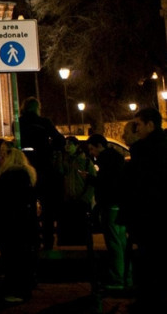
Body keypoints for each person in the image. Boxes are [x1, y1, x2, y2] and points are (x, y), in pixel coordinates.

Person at [121, 107, 167, 313]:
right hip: (154, 215)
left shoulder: (145, 151)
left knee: (149, 261)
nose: (136, 129)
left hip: (148, 216)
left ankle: (149, 300)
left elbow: (138, 186)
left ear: (150, 125)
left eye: (138, 124)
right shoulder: (156, 147)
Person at [0, 142, 39, 303]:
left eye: (3, 155)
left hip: (12, 226)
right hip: (22, 225)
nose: (0, 158)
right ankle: (22, 287)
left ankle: (18, 291)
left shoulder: (10, 176)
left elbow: (5, 203)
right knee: (21, 259)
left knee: (14, 260)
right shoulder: (25, 174)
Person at [18, 96, 65, 250]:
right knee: (47, 207)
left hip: (25, 167)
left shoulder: (18, 123)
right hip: (44, 167)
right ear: (37, 108)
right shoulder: (44, 122)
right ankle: (48, 239)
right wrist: (49, 147)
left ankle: (32, 239)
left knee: (27, 205)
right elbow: (60, 140)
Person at [86, 134, 128, 290]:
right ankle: (126, 276)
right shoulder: (118, 158)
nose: (91, 153)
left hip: (110, 204)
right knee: (121, 242)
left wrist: (91, 179)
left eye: (92, 149)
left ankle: (117, 278)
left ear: (99, 146)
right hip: (119, 204)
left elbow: (105, 183)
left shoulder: (105, 160)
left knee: (114, 242)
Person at [57, 135, 94, 246]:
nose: (67, 146)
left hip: (81, 200)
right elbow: (60, 174)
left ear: (77, 146)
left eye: (70, 144)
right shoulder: (63, 160)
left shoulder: (85, 161)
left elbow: (92, 182)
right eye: (65, 144)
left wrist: (85, 198)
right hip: (68, 201)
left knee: (82, 230)